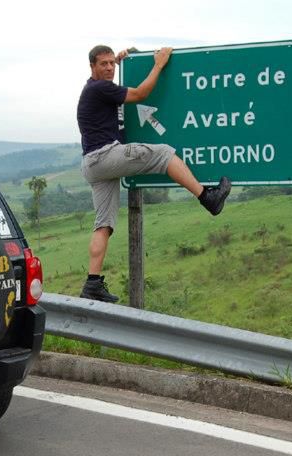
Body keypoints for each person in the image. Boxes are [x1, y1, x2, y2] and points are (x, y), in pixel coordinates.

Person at [77, 45, 232, 302]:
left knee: (103, 224)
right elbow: (140, 93)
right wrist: (159, 63)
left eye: (112, 63)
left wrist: (128, 58)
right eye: (103, 64)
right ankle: (208, 197)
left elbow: (121, 85)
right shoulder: (99, 88)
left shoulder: (97, 88)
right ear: (92, 66)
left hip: (93, 165)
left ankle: (92, 283)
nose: (109, 68)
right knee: (163, 153)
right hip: (104, 155)